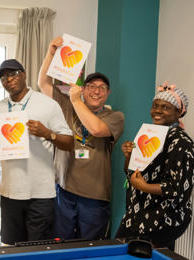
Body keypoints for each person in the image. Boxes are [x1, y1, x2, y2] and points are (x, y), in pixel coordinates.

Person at [38, 36, 125, 240]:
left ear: (108, 93)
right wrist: (51, 54)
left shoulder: (115, 116)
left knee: (90, 247)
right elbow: (43, 84)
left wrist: (77, 100)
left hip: (94, 196)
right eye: (91, 86)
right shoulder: (67, 105)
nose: (96, 91)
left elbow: (95, 130)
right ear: (84, 89)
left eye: (101, 88)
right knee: (62, 245)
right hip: (64, 189)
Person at [0, 59, 74, 245]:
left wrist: (48, 133)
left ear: (24, 74)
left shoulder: (47, 105)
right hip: (10, 191)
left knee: (37, 249)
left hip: (40, 192)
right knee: (11, 249)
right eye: (3, 77)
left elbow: (69, 142)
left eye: (13, 74)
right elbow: (4, 145)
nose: (8, 80)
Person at [116, 83, 193, 250]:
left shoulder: (181, 142)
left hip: (160, 222)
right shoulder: (152, 134)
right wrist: (129, 156)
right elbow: (132, 173)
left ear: (178, 112)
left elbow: (176, 188)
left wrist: (143, 186)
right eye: (155, 106)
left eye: (165, 107)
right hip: (136, 217)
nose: (158, 110)